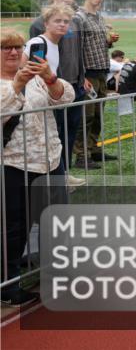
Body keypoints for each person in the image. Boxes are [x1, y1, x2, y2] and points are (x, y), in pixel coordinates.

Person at [1, 28, 75, 306]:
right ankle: (8, 283)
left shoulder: (34, 77)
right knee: (14, 226)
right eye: (5, 48)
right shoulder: (13, 82)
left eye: (17, 47)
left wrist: (49, 76)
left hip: (49, 159)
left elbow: (65, 97)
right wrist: (17, 85)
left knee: (57, 220)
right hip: (13, 164)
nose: (13, 52)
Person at [29, 0, 88, 174]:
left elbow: (79, 52)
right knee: (55, 135)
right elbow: (36, 61)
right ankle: (54, 175)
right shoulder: (39, 24)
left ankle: (65, 174)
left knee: (70, 132)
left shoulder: (75, 21)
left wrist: (82, 77)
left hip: (75, 86)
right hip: (54, 89)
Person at [75, 0, 119, 169]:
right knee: (87, 116)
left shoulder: (99, 17)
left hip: (102, 71)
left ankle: (93, 149)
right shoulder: (79, 18)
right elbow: (76, 49)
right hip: (88, 73)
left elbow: (98, 44)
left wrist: (109, 41)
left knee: (99, 115)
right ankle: (81, 155)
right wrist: (81, 76)